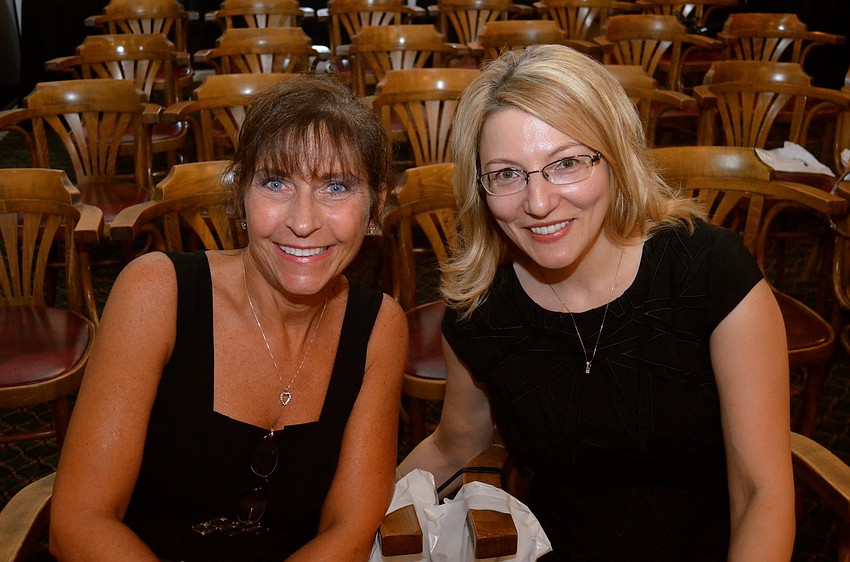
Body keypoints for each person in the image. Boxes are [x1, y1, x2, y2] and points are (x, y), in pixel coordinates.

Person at [398, 44, 795, 561]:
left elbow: (761, 493)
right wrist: (341, 523)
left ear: (614, 157)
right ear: (481, 186)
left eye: (565, 163)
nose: (538, 204)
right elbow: (455, 444)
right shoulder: (481, 313)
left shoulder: (706, 271)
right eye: (507, 174)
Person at [50, 74, 408, 561]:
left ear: (376, 208)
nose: (303, 221)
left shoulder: (379, 327)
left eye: (336, 186)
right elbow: (79, 523)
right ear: (241, 195)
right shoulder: (157, 292)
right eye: (276, 183)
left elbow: (348, 531)